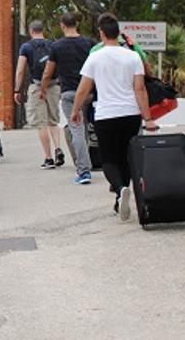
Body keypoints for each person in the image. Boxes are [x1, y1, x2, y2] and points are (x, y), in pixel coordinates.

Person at [70, 13, 157, 221]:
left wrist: (74, 111)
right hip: (130, 114)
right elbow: (140, 88)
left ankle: (119, 190)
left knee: (109, 159)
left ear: (102, 33)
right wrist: (148, 119)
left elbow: (83, 88)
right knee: (128, 157)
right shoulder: (133, 56)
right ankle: (124, 191)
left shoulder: (95, 57)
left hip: (106, 115)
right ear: (118, 33)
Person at [41, 12, 95, 183]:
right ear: (77, 24)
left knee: (76, 130)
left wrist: (43, 89)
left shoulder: (57, 46)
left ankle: (83, 171)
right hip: (88, 92)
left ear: (62, 25)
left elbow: (48, 72)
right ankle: (87, 162)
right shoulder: (89, 43)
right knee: (84, 129)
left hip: (69, 93)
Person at [15, 21, 64, 170]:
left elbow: (20, 70)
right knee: (53, 122)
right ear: (42, 30)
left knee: (41, 123)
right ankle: (58, 148)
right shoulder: (52, 45)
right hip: (54, 86)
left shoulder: (26, 47)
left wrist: (17, 89)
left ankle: (48, 158)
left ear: (31, 31)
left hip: (37, 87)